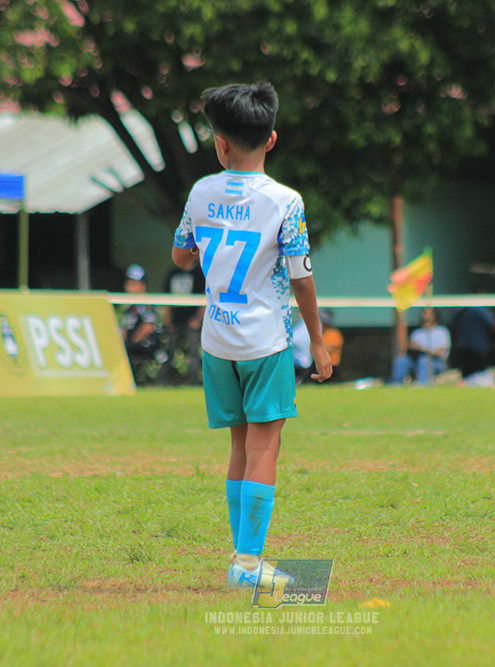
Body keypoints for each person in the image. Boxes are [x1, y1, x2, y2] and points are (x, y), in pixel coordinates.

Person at [170, 81, 332, 590]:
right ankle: (246, 564)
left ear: (219, 143)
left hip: (217, 340)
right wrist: (318, 341)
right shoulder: (285, 201)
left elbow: (180, 256)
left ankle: (241, 559)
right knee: (266, 447)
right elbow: (301, 278)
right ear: (271, 139)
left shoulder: (201, 192)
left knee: (239, 445)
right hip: (265, 341)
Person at [117, 264, 164, 383]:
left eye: (133, 284)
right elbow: (124, 328)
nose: (129, 287)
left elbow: (148, 327)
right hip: (131, 344)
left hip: (148, 343)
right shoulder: (127, 306)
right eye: (128, 284)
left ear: (142, 286)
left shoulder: (147, 304)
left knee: (128, 350)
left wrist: (131, 343)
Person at [161, 263, 205, 385]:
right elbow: (167, 299)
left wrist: (198, 318)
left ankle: (194, 382)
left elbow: (204, 297)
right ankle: (163, 381)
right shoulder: (172, 273)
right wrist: (168, 319)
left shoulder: (199, 273)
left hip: (192, 321)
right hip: (175, 320)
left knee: (193, 353)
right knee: (169, 351)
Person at [389, 307, 451, 385]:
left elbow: (440, 352)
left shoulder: (441, 332)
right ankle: (396, 383)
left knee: (424, 361)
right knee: (402, 360)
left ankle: (422, 384)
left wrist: (421, 349)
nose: (427, 316)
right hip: (416, 360)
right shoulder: (417, 333)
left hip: (435, 362)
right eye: (425, 313)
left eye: (430, 313)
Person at [292, 309, 342, 384]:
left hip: (330, 365)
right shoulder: (319, 335)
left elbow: (328, 350)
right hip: (317, 363)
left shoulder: (333, 333)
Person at [449, 302, 495, 379]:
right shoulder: (480, 309)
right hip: (477, 348)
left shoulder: (460, 310)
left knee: (467, 375)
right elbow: (492, 325)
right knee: (480, 375)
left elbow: (453, 325)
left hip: (462, 347)